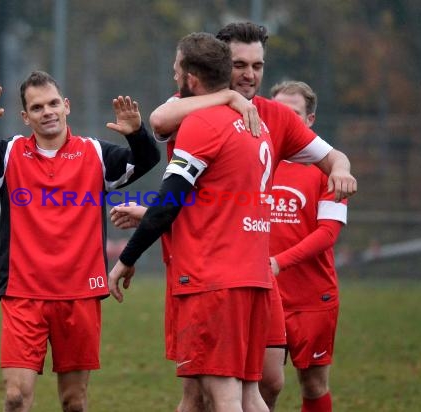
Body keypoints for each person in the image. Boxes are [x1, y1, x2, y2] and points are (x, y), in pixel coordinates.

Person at [146, 21, 357, 412]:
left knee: (265, 383)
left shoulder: (275, 116)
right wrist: (227, 99)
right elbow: (159, 120)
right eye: (240, 64)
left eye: (257, 66)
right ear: (220, 64)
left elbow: (331, 155)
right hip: (204, 268)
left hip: (252, 271)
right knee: (205, 393)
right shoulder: (195, 108)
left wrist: (340, 169)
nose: (249, 74)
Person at [0, 70, 160, 412]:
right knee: (16, 397)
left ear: (66, 106)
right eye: (36, 107)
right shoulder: (9, 154)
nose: (46, 112)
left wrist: (137, 134)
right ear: (25, 116)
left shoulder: (95, 154)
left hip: (79, 294)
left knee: (73, 401)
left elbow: (147, 159)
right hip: (23, 293)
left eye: (52, 103)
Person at [109, 32, 275, 412]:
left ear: (191, 79)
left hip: (214, 280)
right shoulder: (254, 124)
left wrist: (125, 259)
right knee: (249, 396)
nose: (173, 77)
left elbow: (170, 201)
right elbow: (214, 201)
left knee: (224, 396)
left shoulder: (203, 124)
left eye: (175, 70)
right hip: (252, 276)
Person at [269, 80, 347, 412]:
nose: (286, 120)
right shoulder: (256, 159)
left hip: (312, 297)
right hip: (263, 294)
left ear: (310, 120)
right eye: (279, 113)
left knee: (313, 385)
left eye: (295, 114)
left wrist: (277, 262)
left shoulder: (328, 167)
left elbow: (327, 234)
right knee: (264, 384)